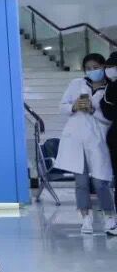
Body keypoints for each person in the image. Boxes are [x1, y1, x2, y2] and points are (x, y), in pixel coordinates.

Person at [55, 53, 116, 234]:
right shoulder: (76, 84)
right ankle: (86, 218)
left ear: (103, 67)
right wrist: (73, 107)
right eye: (88, 68)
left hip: (98, 140)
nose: (92, 71)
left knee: (100, 182)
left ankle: (109, 217)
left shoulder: (110, 88)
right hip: (76, 139)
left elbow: (110, 118)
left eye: (96, 67)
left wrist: (92, 110)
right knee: (81, 183)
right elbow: (62, 107)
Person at [100, 51, 117, 231]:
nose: (111, 70)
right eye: (109, 67)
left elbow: (108, 112)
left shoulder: (111, 88)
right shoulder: (110, 87)